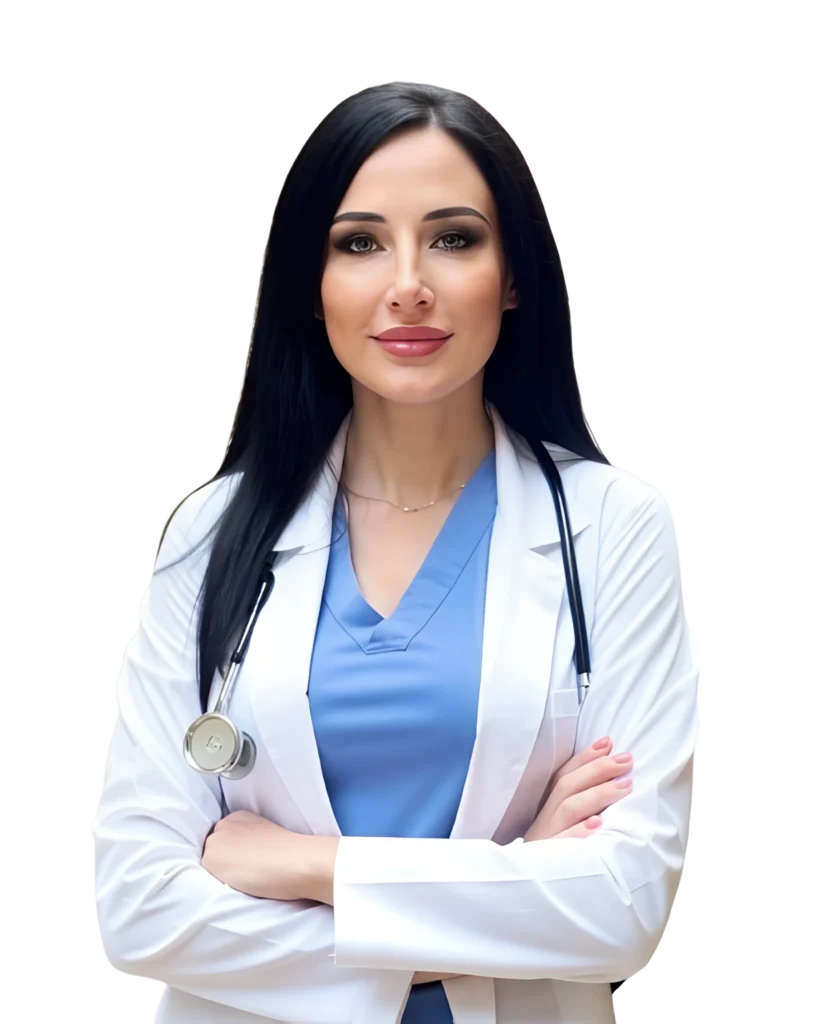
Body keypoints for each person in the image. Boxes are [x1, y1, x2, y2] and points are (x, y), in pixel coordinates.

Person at [92, 81, 699, 1024]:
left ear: (512, 276)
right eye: (359, 242)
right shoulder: (212, 534)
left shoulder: (615, 527)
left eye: (454, 238)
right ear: (312, 280)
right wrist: (506, 884)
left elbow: (619, 908)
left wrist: (309, 868)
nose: (406, 282)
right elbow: (135, 906)